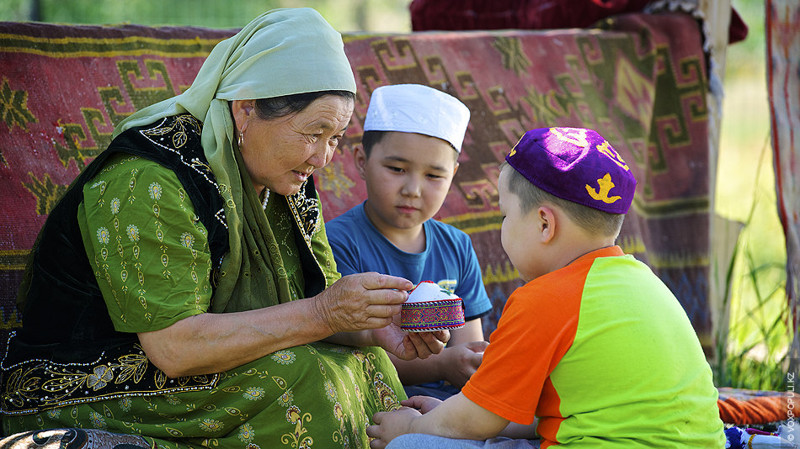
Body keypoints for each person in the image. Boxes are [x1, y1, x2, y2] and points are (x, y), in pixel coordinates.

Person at [0, 8, 449, 448]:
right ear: (246, 109)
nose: (323, 158)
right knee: (301, 376)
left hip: (189, 367)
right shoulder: (148, 180)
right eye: (313, 133)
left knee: (364, 361)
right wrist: (324, 313)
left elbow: (317, 300)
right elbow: (174, 348)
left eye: (335, 139)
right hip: (76, 380)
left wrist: (373, 330)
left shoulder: (287, 179)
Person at [366, 127, 726, 448]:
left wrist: (414, 426)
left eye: (505, 215)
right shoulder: (643, 281)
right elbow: (554, 412)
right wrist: (446, 414)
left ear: (543, 224)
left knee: (413, 445)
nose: (502, 227)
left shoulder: (544, 299)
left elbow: (476, 420)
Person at [326, 84, 493, 400]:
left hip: (448, 406)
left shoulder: (457, 246)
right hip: (372, 400)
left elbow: (467, 345)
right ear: (361, 160)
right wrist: (441, 365)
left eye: (433, 176)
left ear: (453, 174)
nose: (413, 189)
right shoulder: (338, 243)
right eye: (397, 169)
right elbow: (357, 353)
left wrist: (467, 364)